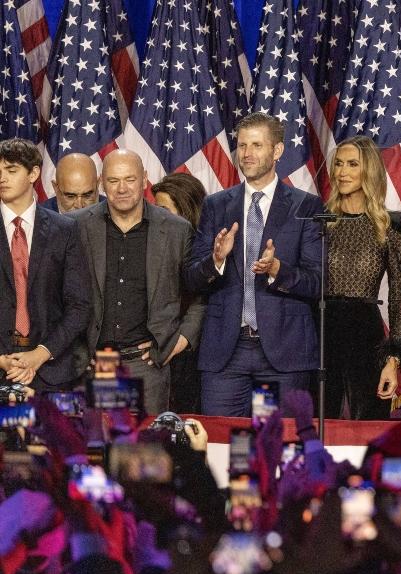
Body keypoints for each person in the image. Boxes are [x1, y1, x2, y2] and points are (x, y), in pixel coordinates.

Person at [184, 112, 323, 417]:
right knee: (225, 449)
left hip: (281, 356)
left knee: (269, 448)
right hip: (226, 355)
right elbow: (191, 278)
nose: (246, 154)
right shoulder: (216, 205)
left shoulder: (306, 206)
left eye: (256, 145)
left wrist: (277, 271)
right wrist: (216, 260)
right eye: (242, 145)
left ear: (277, 151)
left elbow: (318, 282)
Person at [71, 150, 204, 415]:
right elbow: (58, 294)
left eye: (130, 179)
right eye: (113, 180)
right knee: (94, 452)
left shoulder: (177, 230)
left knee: (143, 453)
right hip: (92, 361)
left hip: (146, 366)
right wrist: (76, 350)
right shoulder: (75, 226)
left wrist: (181, 339)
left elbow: (200, 296)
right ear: (101, 183)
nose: (122, 188)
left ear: (144, 180)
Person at [323, 135, 401, 419]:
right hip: (320, 331)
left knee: (369, 429)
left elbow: (399, 293)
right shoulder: (320, 222)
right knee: (316, 426)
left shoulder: (391, 225)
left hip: (365, 334)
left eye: (352, 164)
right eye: (338, 164)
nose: (342, 172)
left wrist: (393, 359)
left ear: (369, 170)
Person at [0, 138, 91, 390]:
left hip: (52, 371)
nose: (2, 178)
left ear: (34, 173)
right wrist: (3, 360)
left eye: (11, 170)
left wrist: (40, 354)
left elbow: (79, 305)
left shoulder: (64, 229)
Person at [151, 172, 206, 413]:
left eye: (163, 210)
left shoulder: (200, 251)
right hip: (156, 351)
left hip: (189, 353)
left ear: (186, 211)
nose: (156, 217)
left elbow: (200, 299)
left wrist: (180, 342)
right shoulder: (152, 242)